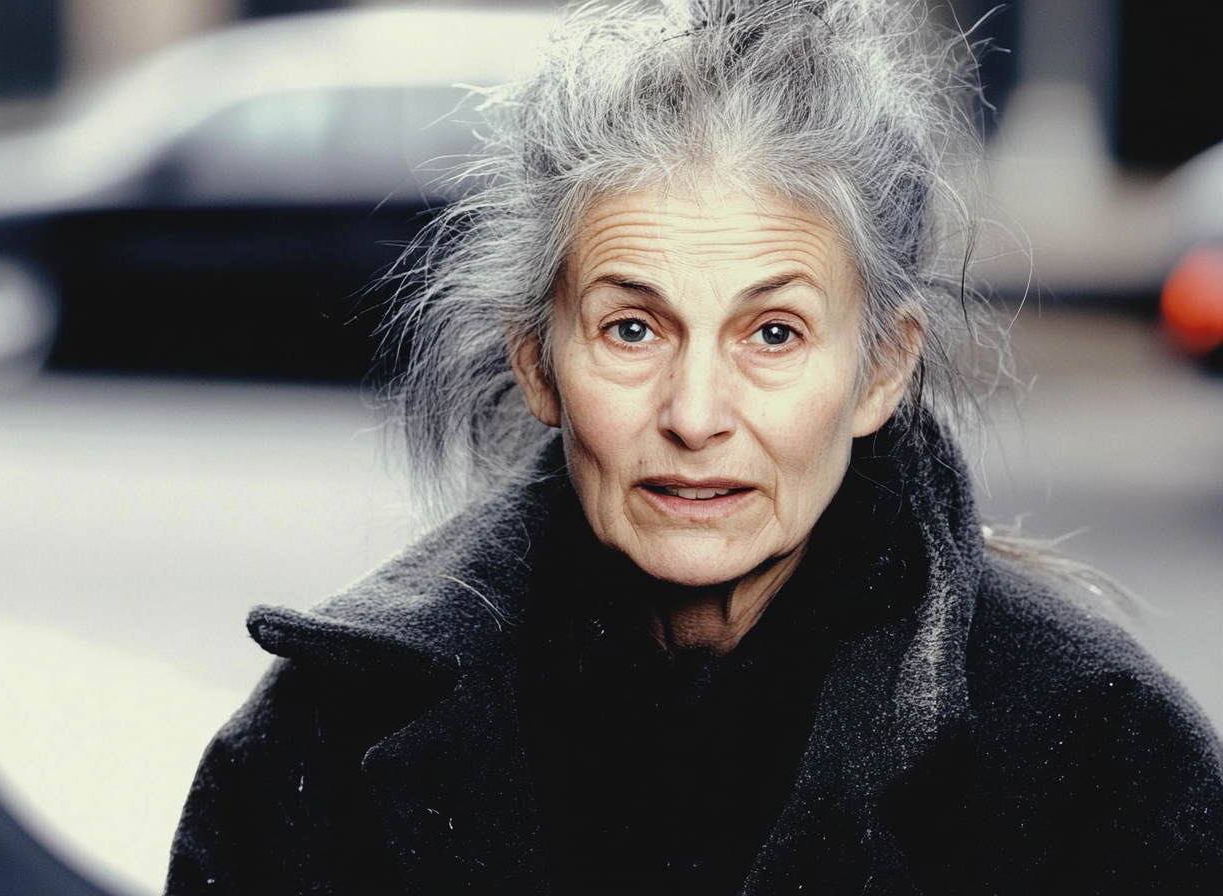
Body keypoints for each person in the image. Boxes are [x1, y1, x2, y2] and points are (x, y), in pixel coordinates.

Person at [165, 1, 1223, 893]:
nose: (696, 411)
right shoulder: (321, 741)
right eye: (633, 327)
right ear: (538, 360)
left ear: (883, 370)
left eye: (773, 333)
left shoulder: (1101, 753)